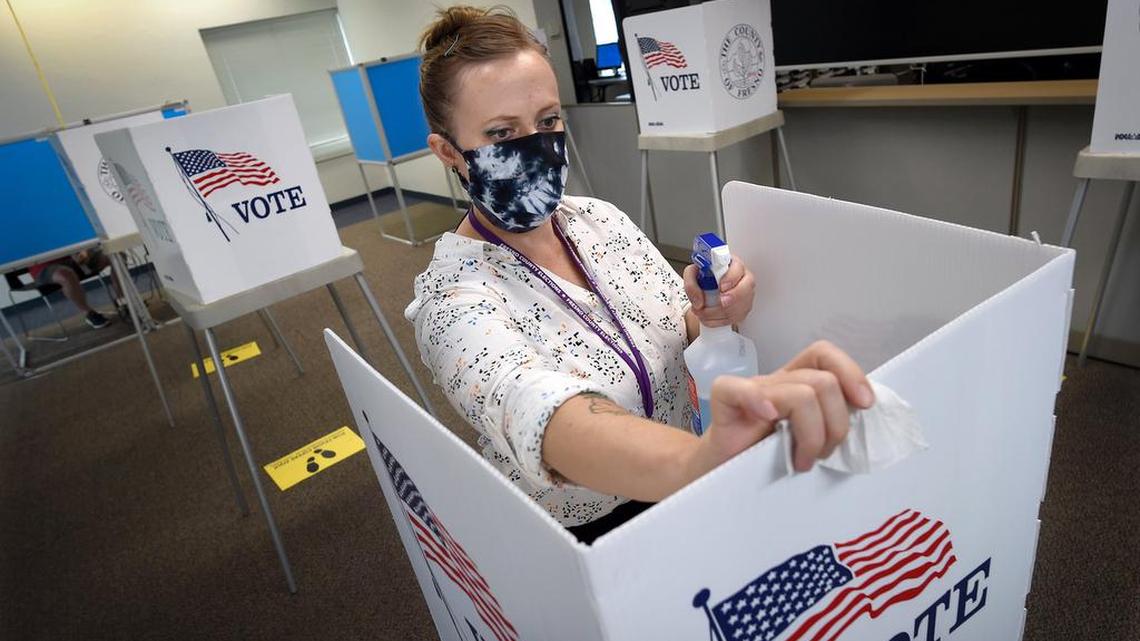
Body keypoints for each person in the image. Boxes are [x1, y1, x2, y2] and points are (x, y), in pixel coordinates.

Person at [405, 6, 875, 543]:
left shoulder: (599, 221)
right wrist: (701, 461)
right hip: (598, 531)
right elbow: (538, 410)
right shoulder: (453, 302)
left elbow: (681, 332)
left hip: (691, 481)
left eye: (548, 120)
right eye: (501, 132)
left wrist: (713, 315)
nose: (536, 145)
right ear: (449, 152)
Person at [27, 249, 118, 329]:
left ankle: (123, 301)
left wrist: (84, 249)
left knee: (115, 256)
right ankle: (89, 313)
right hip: (43, 266)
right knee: (64, 274)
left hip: (72, 256)